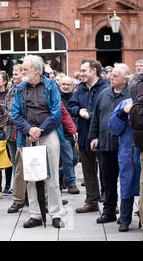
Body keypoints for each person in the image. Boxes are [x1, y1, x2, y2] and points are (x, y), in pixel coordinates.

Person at [11, 55, 65, 228]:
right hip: (28, 136)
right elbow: (15, 114)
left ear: (36, 70)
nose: (22, 72)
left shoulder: (51, 86)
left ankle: (56, 214)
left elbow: (56, 113)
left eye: (25, 69)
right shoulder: (19, 89)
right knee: (31, 177)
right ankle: (35, 215)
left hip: (48, 134)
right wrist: (29, 130)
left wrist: (40, 130)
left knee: (53, 177)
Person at [88, 63, 131, 224]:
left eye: (115, 76)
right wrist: (93, 136)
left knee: (127, 181)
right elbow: (96, 118)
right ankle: (109, 212)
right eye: (111, 75)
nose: (111, 77)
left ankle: (126, 214)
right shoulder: (104, 94)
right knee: (108, 181)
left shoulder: (130, 96)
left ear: (125, 79)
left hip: (124, 145)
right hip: (105, 144)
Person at [69, 59, 110, 214]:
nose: (81, 73)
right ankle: (92, 202)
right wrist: (79, 111)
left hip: (101, 135)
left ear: (94, 71)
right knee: (88, 171)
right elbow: (72, 105)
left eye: (84, 70)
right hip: (85, 135)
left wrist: (90, 115)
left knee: (106, 170)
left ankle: (109, 202)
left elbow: (107, 110)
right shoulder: (81, 88)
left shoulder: (105, 88)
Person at [108, 77, 141, 232]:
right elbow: (113, 128)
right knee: (127, 185)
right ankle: (125, 218)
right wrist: (122, 112)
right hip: (128, 152)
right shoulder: (125, 103)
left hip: (139, 151)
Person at [7, 64, 28, 213]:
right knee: (18, 167)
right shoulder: (13, 91)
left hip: (32, 131)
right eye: (13, 74)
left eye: (16, 74)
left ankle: (43, 198)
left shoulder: (30, 88)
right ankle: (19, 198)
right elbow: (12, 112)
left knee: (36, 166)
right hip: (16, 133)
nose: (13, 76)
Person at [59, 76, 80, 194]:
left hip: (75, 134)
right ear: (60, 85)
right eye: (64, 84)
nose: (66, 87)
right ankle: (72, 183)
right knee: (68, 159)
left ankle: (59, 174)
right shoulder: (57, 98)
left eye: (68, 85)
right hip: (63, 134)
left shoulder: (75, 98)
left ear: (72, 86)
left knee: (75, 159)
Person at [0, 70, 13, 195]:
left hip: (8, 131)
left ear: (5, 81)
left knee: (9, 159)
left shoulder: (9, 94)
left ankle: (7, 185)